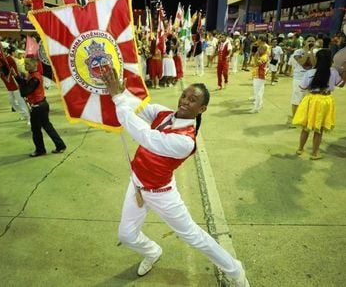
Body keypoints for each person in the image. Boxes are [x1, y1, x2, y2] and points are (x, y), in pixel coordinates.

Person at [101, 68, 250, 287]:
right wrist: (121, 94)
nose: (185, 101)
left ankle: (236, 271)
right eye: (184, 96)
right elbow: (139, 108)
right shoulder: (163, 113)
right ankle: (152, 252)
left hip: (162, 194)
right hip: (138, 186)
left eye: (193, 100)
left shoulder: (186, 141)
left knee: (193, 236)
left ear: (202, 109)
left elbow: (145, 135)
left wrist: (117, 98)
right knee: (126, 235)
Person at [292, 49, 346, 160]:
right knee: (319, 129)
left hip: (311, 100)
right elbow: (341, 84)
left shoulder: (309, 73)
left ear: (317, 59)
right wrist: (345, 71)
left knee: (306, 127)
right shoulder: (333, 72)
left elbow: (302, 88)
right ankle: (314, 153)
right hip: (325, 100)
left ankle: (300, 149)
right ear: (330, 60)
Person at [14, 55, 66, 157]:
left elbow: (25, 92)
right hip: (41, 105)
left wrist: (19, 81)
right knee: (47, 126)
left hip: (38, 107)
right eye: (25, 63)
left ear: (35, 64)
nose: (25, 65)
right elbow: (26, 84)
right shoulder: (32, 74)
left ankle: (40, 150)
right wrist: (17, 77)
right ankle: (60, 145)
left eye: (27, 63)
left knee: (36, 130)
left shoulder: (35, 77)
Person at [250, 35, 270, 113]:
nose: (258, 49)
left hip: (260, 74)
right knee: (259, 91)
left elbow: (257, 63)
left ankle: (257, 107)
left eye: (260, 48)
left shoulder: (264, 56)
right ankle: (259, 105)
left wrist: (256, 55)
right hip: (258, 74)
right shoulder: (262, 54)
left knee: (258, 91)